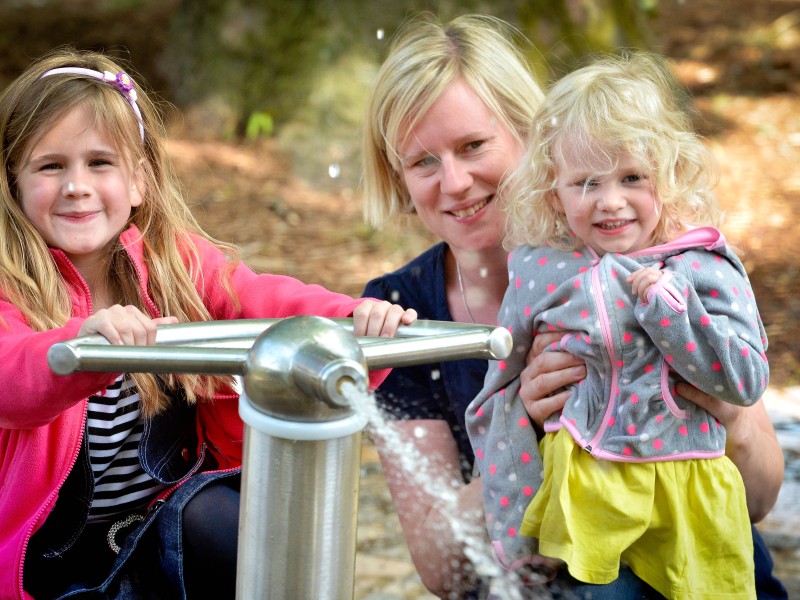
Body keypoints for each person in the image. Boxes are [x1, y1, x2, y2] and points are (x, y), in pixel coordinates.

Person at [361, 13, 786, 600]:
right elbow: (441, 569)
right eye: (422, 161)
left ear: (534, 138)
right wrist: (523, 432)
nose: (454, 182)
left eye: (473, 145)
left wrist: (721, 405)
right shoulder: (401, 310)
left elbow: (762, 498)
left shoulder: (657, 249)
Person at [0, 48, 417, 599]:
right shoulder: (11, 289)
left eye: (99, 163)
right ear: (13, 183)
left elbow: (265, 300)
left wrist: (347, 323)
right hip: (51, 569)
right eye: (51, 166)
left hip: (160, 542)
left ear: (139, 181)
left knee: (221, 511)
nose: (76, 185)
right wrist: (82, 346)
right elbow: (13, 379)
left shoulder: (178, 267)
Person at [467, 50, 770, 599]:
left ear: (669, 173)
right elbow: (498, 398)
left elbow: (745, 380)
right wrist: (514, 536)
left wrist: (672, 314)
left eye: (632, 176)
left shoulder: (701, 265)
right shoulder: (539, 272)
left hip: (692, 491)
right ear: (553, 193)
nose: (610, 202)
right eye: (585, 183)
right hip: (590, 498)